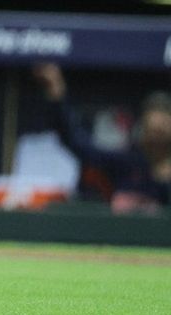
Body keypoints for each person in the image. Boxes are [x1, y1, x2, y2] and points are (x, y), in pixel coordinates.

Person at [32, 64, 170, 213]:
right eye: (152, 130)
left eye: (162, 131)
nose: (156, 139)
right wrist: (57, 93)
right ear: (141, 130)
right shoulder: (128, 162)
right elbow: (79, 145)